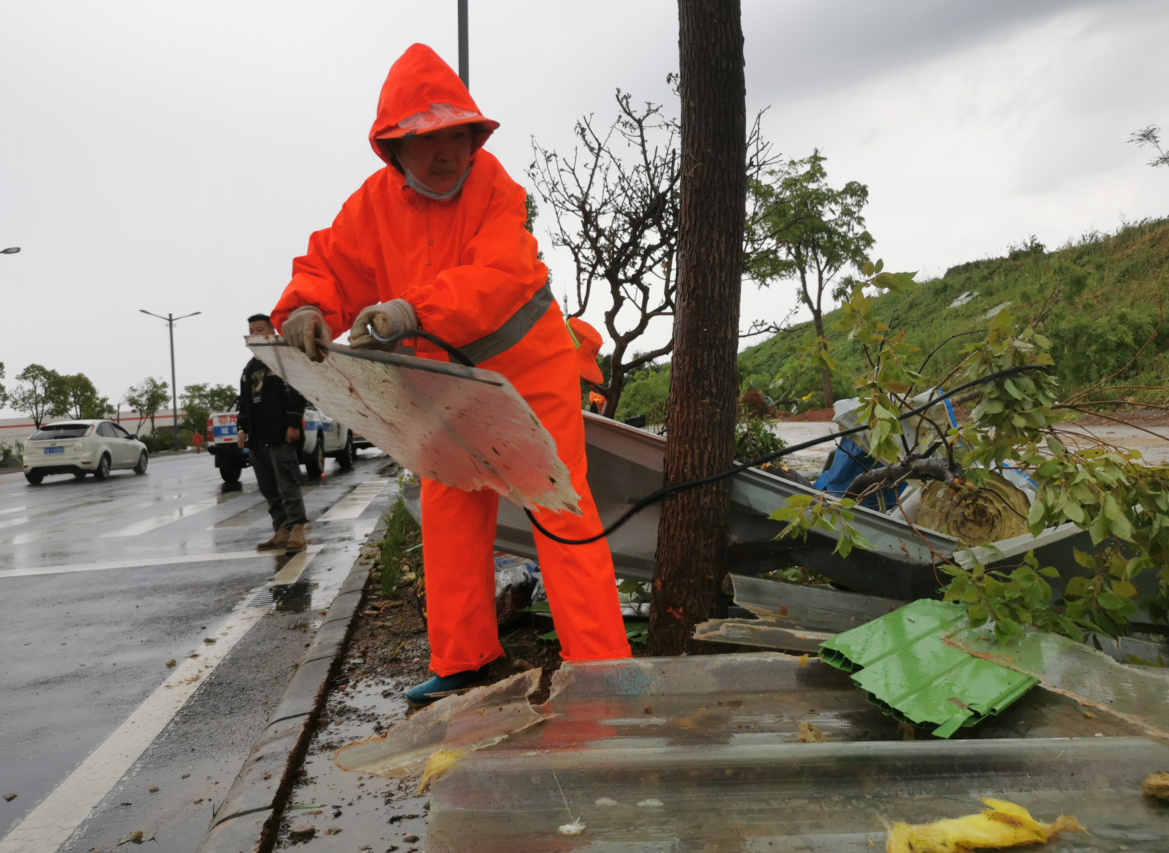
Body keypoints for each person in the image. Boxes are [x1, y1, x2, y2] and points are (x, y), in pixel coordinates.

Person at [270, 43, 631, 705]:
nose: (446, 151)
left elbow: (498, 278)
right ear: (392, 146)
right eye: (425, 138)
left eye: (456, 134)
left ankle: (599, 663)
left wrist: (413, 308)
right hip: (443, 389)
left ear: (473, 136)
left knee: (560, 507)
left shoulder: (497, 190)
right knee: (449, 511)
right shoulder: (369, 207)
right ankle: (463, 659)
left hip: (529, 369)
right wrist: (306, 308)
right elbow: (330, 265)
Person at [238, 313, 308, 554]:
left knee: (288, 483)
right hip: (258, 438)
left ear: (272, 333)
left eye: (259, 330)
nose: (254, 334)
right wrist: (241, 429)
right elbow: (244, 404)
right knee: (268, 487)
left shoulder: (283, 359)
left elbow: (298, 394)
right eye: (251, 330)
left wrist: (293, 424)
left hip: (280, 435)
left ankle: (297, 529)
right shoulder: (250, 367)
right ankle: (281, 529)